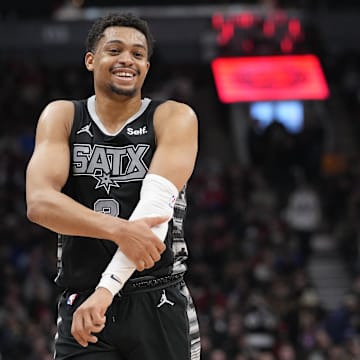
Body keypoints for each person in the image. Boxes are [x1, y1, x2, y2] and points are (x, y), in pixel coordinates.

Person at [25, 12, 200, 360]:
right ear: (91, 60)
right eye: (115, 49)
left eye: (137, 54)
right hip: (83, 298)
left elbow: (154, 211)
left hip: (158, 297)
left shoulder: (174, 117)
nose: (127, 60)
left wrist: (107, 290)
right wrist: (121, 230)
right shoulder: (62, 116)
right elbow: (40, 203)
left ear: (146, 67)